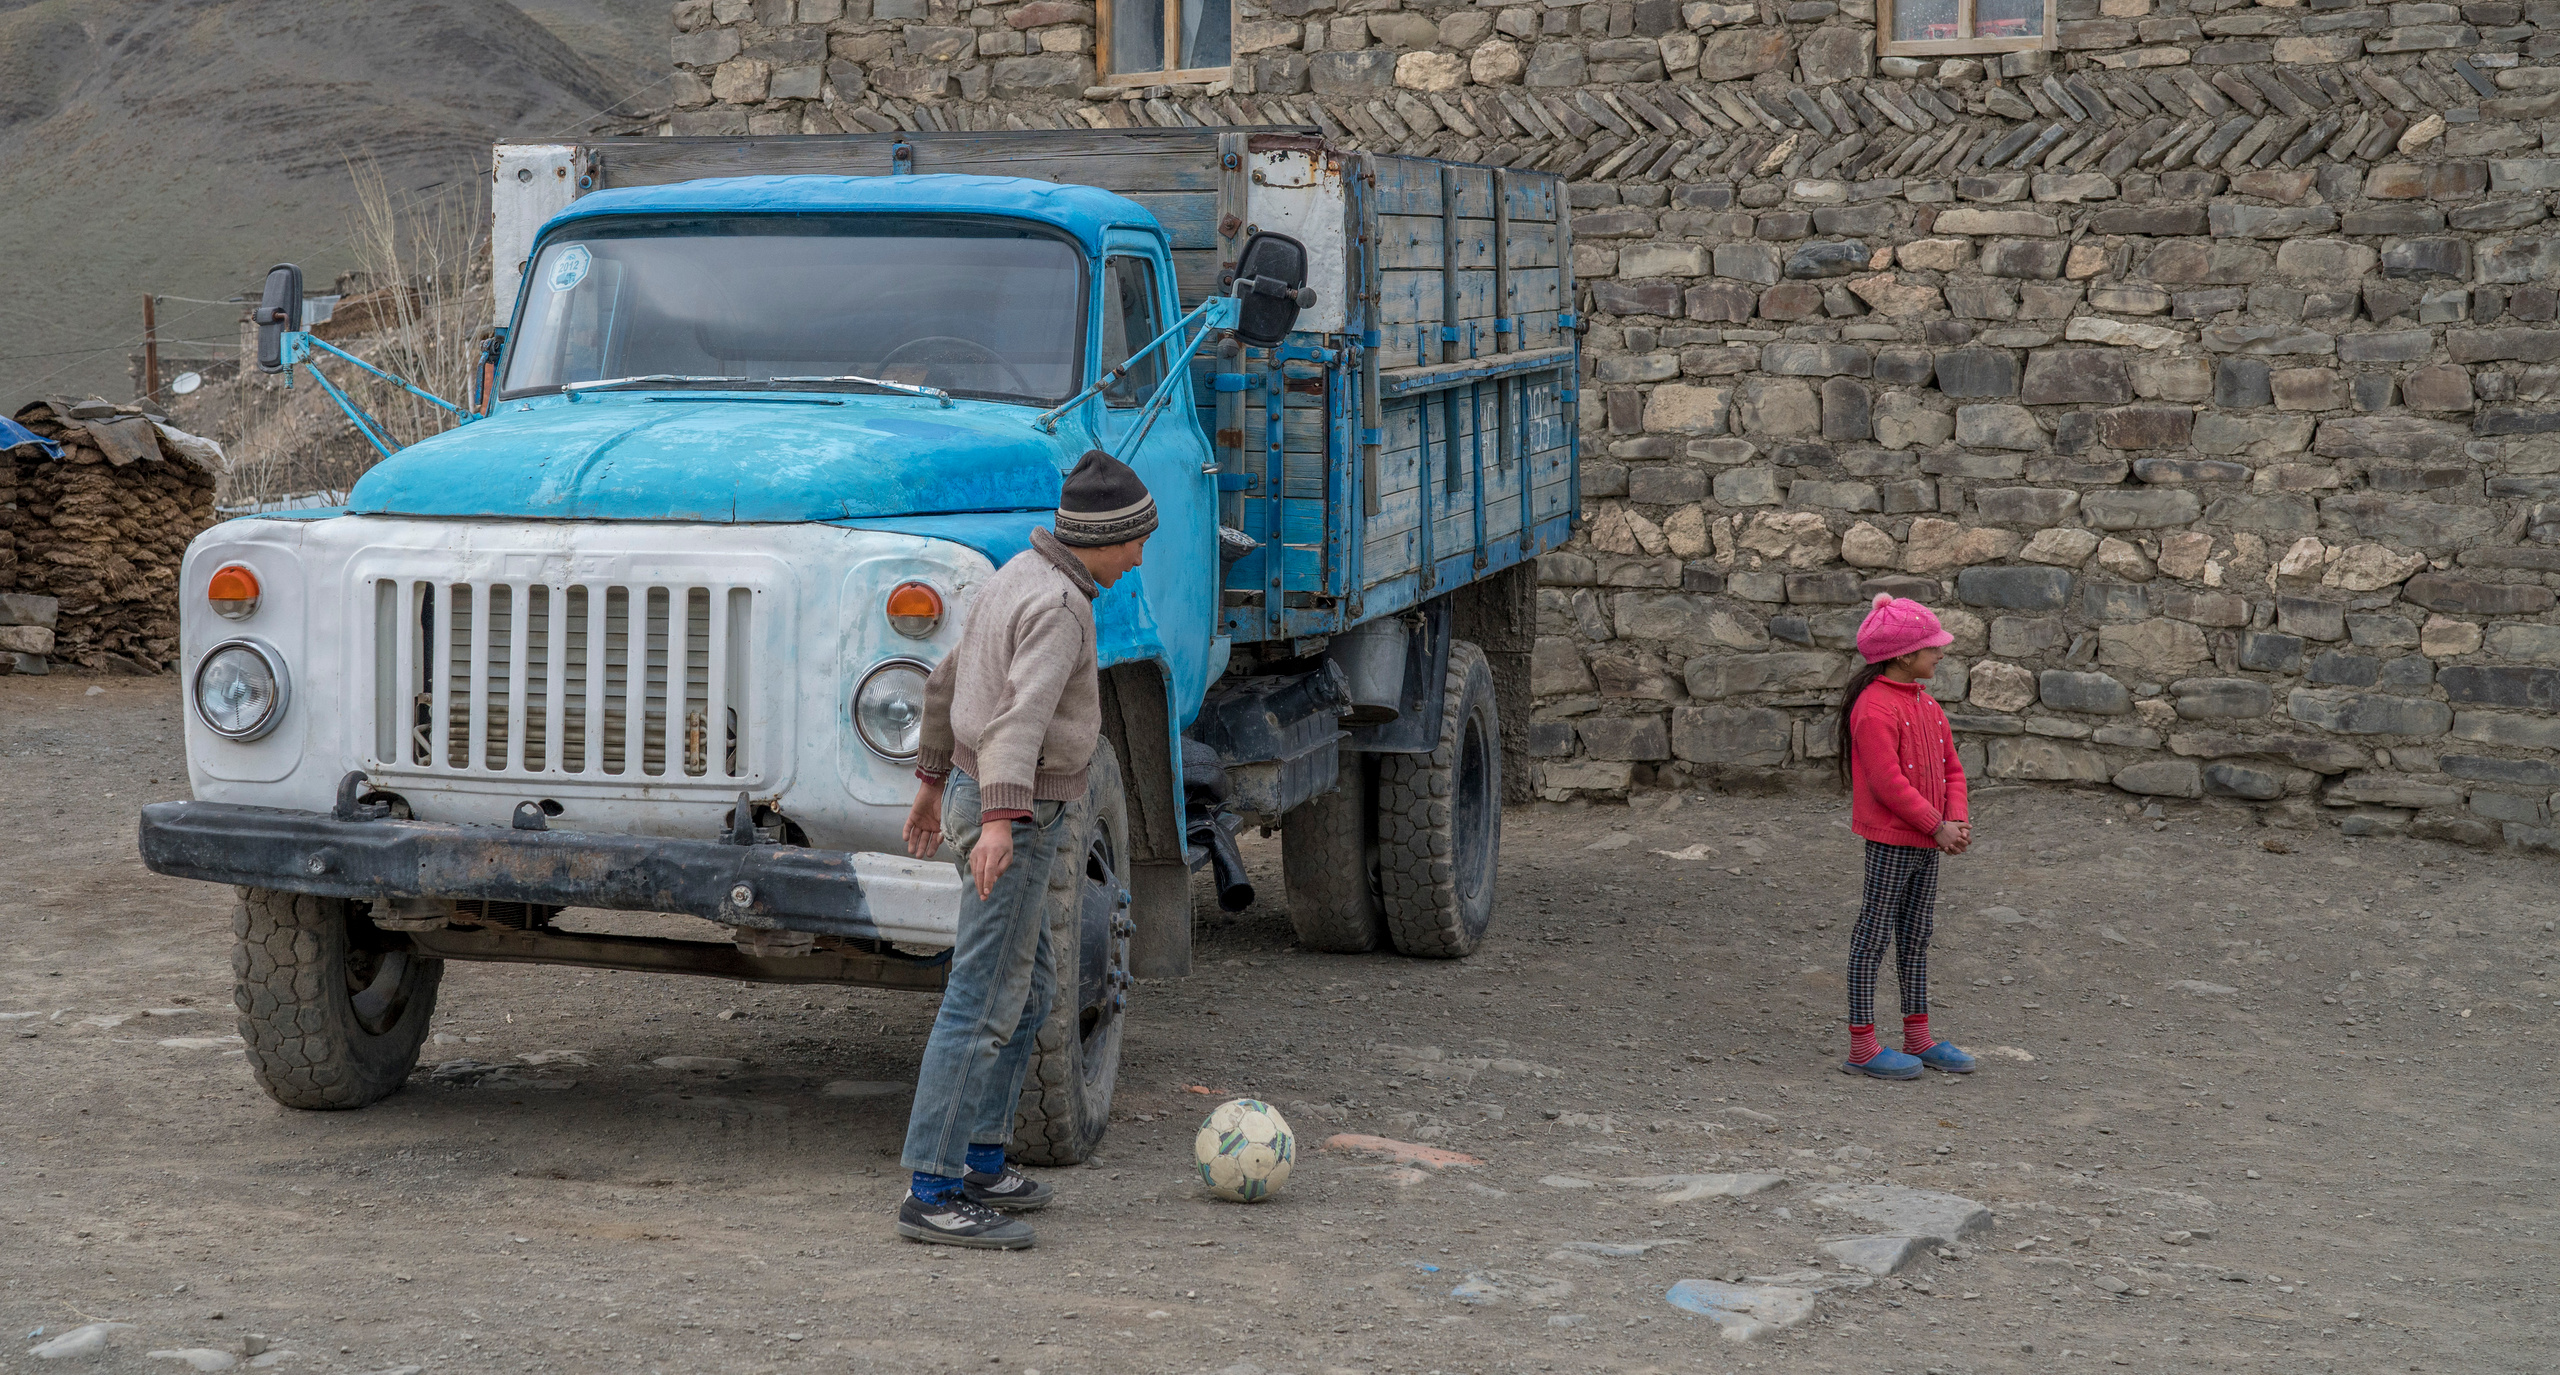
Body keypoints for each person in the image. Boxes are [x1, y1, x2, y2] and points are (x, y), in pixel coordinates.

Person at [894, 449, 1155, 1249]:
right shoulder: (1060, 606)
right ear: (1101, 537)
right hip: (1018, 812)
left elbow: (946, 678)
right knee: (982, 1000)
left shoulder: (1016, 573)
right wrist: (1002, 822)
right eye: (1135, 540)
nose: (1139, 556)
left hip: (980, 795)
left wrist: (931, 782)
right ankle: (932, 1190)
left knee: (1034, 988)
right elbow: (1019, 721)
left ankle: (981, 1158)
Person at [1833, 593, 1978, 1081]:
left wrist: (1955, 820)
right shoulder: (1874, 709)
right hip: (1896, 841)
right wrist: (1937, 826)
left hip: (1927, 840)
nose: (1941, 653)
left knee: (1916, 935)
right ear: (1903, 655)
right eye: (1932, 646)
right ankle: (1862, 1046)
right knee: (1873, 936)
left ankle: (1918, 1038)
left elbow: (1951, 767)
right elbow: (1887, 783)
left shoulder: (1926, 704)